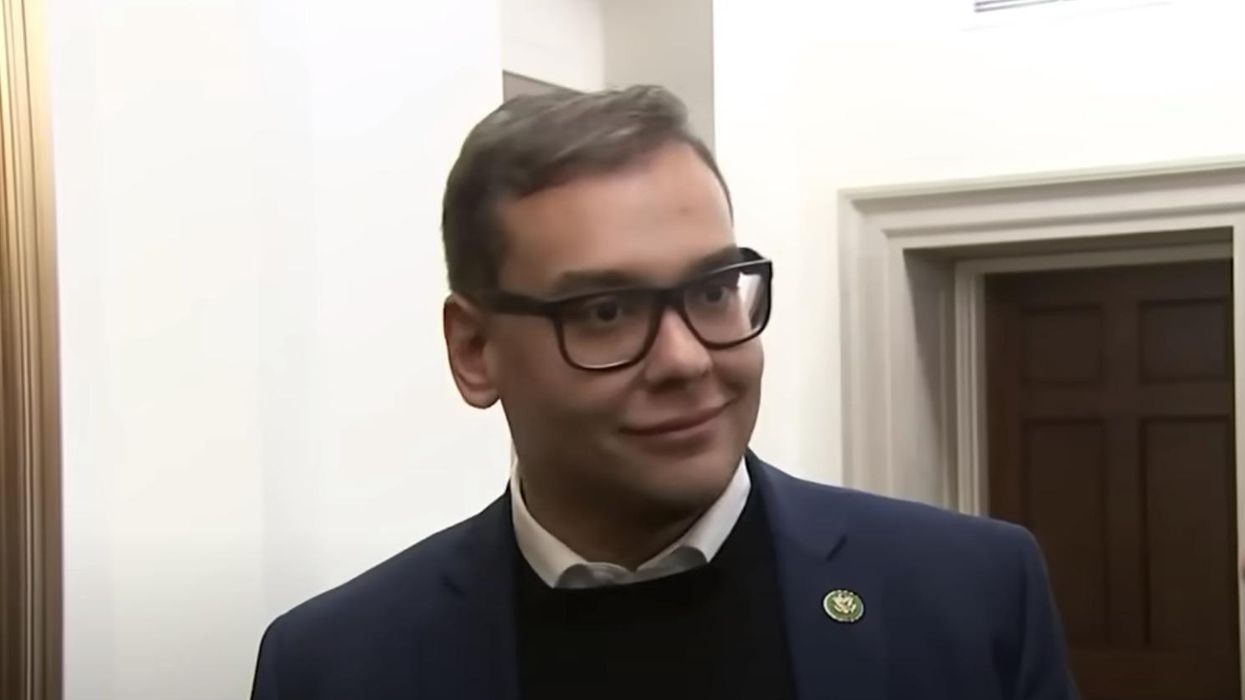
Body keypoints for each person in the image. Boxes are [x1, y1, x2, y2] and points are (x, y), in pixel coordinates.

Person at [249, 85, 1079, 700]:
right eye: (605, 311)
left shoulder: (970, 594)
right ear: (474, 350)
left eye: (713, 291)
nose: (684, 359)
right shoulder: (333, 667)